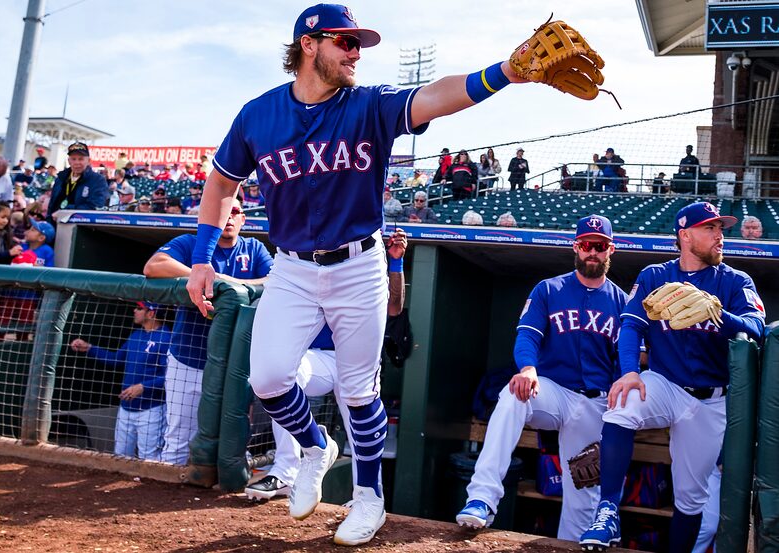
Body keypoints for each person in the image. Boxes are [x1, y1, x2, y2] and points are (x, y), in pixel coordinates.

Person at [185, 4, 529, 545]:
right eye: (344, 41)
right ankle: (317, 446)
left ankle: (369, 497)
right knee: (268, 377)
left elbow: (437, 94)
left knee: (358, 390)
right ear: (308, 45)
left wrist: (505, 72)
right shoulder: (257, 114)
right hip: (293, 267)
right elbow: (221, 184)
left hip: (358, 263)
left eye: (358, 43)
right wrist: (203, 257)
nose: (356, 51)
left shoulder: (368, 104)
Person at [579, 202, 765, 552]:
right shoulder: (654, 275)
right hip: (665, 384)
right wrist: (631, 371)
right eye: (710, 228)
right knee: (622, 405)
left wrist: (719, 314)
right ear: (685, 235)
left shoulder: (736, 281)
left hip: (713, 400)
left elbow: (757, 329)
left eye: (720, 228)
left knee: (691, 500)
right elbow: (631, 325)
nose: (719, 236)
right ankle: (607, 512)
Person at [458, 215, 627, 540]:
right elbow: (528, 335)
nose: (593, 252)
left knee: (583, 500)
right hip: (553, 392)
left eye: (600, 246)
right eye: (587, 245)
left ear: (611, 250)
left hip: (596, 405)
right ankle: (482, 497)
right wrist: (528, 368)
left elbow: (628, 358)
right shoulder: (549, 289)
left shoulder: (622, 302)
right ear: (575, 247)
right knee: (512, 396)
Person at [245, 228, 408, 501]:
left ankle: (366, 497)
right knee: (281, 378)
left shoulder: (366, 253)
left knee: (361, 411)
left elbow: (395, 308)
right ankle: (286, 470)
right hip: (317, 356)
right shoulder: (303, 256)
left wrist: (397, 261)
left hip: (352, 358)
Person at [144, 198, 273, 465]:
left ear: (242, 219)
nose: (228, 217)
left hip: (235, 365)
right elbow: (154, 266)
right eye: (222, 211)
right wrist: (200, 275)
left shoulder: (253, 248)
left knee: (233, 442)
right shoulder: (191, 244)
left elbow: (275, 279)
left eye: (234, 212)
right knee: (178, 441)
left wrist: (231, 283)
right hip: (188, 359)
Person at [70, 302, 171, 461]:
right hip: (126, 408)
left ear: (151, 313)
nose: (134, 310)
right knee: (121, 456)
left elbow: (171, 377)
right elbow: (116, 359)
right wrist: (89, 348)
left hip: (151, 409)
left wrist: (143, 387)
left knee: (150, 458)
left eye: (139, 308)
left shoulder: (166, 338)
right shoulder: (136, 335)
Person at [48, 142, 109, 221]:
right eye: (73, 159)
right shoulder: (61, 178)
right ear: (69, 161)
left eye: (81, 159)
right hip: (55, 223)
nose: (77, 162)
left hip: (80, 227)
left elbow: (96, 206)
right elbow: (52, 205)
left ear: (88, 160)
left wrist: (66, 212)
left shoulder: (98, 180)